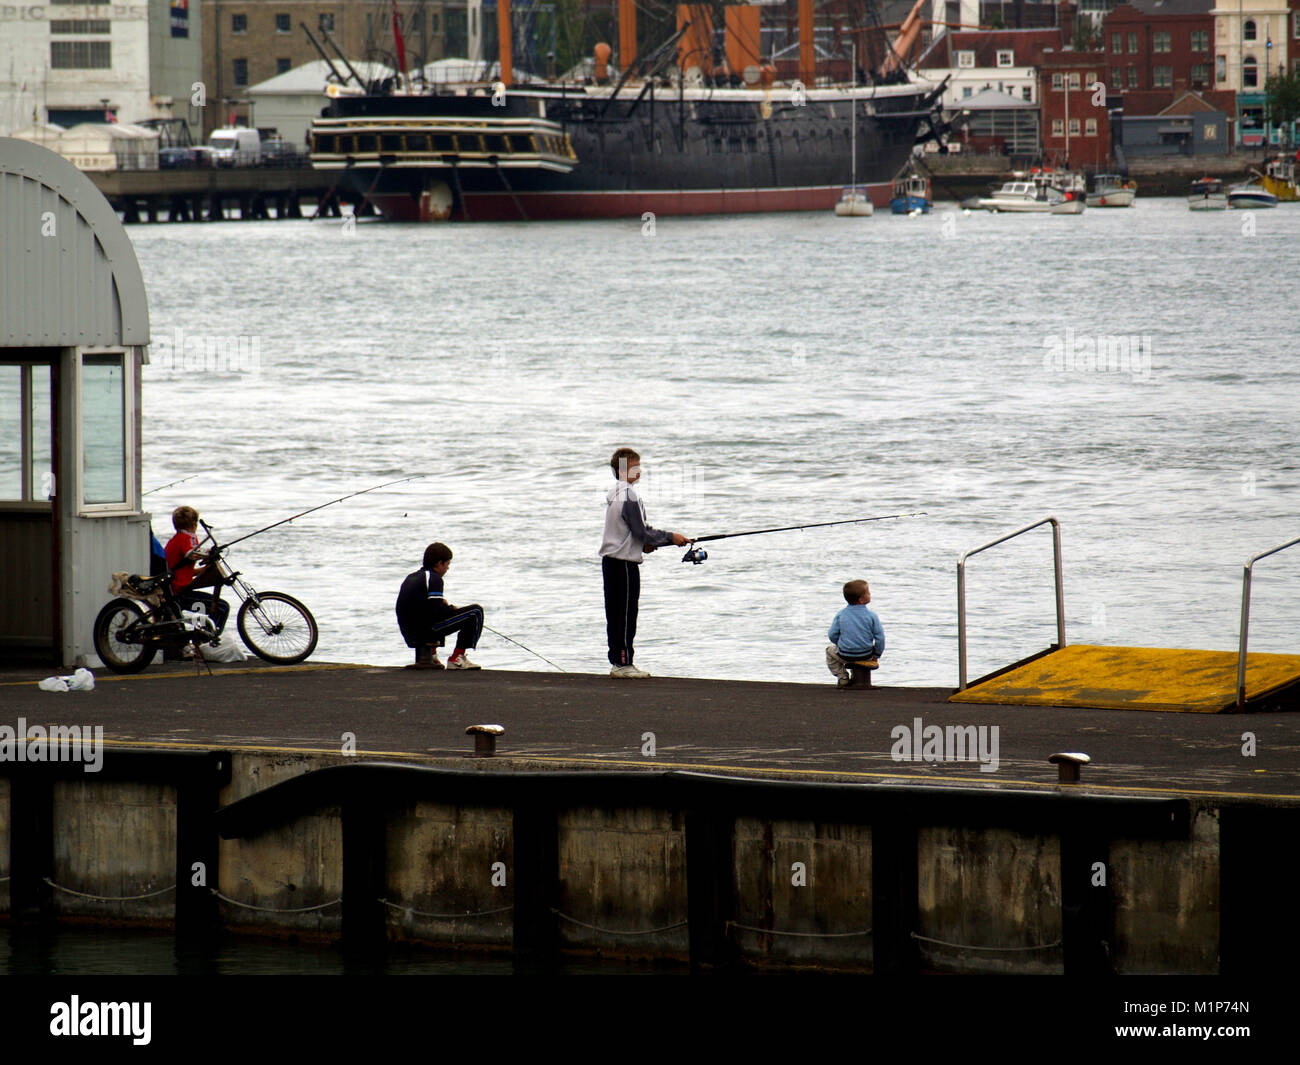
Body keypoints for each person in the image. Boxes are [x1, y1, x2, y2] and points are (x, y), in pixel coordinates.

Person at [599, 447, 690, 679]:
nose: (639, 471)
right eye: (635, 467)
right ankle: (623, 664)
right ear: (622, 471)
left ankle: (619, 662)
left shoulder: (615, 493)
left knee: (616, 614)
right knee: (626, 614)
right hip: (624, 565)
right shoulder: (629, 495)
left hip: (611, 563)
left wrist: (646, 543)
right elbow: (642, 532)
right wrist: (672, 537)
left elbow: (631, 532)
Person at [395, 542, 484, 670]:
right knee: (475, 612)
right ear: (439, 563)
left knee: (437, 611)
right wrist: (450, 608)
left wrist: (444, 606)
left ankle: (432, 655)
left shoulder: (412, 577)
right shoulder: (434, 578)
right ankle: (457, 658)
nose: (448, 568)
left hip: (409, 632)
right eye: (447, 564)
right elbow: (436, 612)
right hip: (425, 631)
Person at [826, 579, 885, 688]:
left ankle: (842, 676)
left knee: (829, 650)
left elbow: (832, 635)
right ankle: (855, 677)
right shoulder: (872, 616)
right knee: (866, 649)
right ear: (861, 600)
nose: (870, 594)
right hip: (866, 655)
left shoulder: (841, 614)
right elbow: (880, 638)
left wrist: (841, 644)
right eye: (868, 592)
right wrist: (876, 655)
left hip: (845, 654)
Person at [164, 506, 219, 592]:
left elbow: (181, 570)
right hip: (180, 587)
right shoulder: (187, 537)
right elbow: (193, 554)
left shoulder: (175, 540)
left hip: (173, 585)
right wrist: (209, 553)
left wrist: (203, 569)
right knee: (222, 605)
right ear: (194, 524)